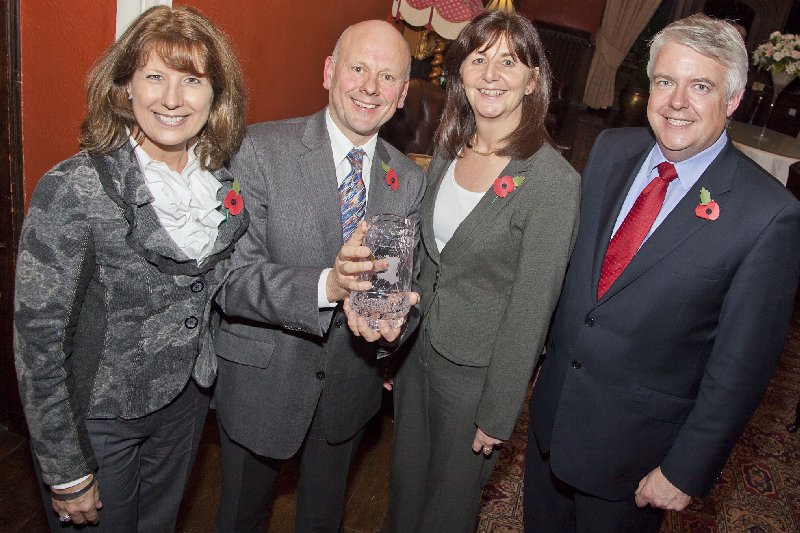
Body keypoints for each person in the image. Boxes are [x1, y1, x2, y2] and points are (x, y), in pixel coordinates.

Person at [524, 14, 800, 533]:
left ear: (733, 99)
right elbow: (575, 279)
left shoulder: (768, 217)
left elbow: (740, 369)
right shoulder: (610, 150)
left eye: (700, 86)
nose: (677, 101)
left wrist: (685, 469)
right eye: (665, 81)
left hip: (636, 459)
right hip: (552, 422)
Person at [13, 5, 248, 531]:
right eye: (155, 76)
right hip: (101, 420)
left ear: (215, 98)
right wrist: (65, 469)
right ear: (125, 89)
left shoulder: (220, 185)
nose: (171, 98)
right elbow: (37, 340)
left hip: (185, 406)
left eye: (192, 80)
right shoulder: (72, 187)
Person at [211, 20, 425, 532]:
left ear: (401, 96)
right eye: (357, 68)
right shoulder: (259, 150)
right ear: (330, 72)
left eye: (388, 77)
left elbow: (400, 290)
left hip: (349, 390)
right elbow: (232, 280)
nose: (370, 87)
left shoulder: (410, 179)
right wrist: (326, 286)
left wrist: (396, 328)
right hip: (262, 382)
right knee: (239, 517)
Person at [387, 11, 580, 533]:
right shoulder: (450, 149)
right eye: (478, 59)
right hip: (417, 352)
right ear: (461, 72)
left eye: (509, 61)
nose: (491, 74)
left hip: (475, 376)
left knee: (446, 511)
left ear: (532, 79)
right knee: (403, 490)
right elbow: (427, 258)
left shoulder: (551, 182)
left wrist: (499, 410)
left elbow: (532, 307)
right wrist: (393, 342)